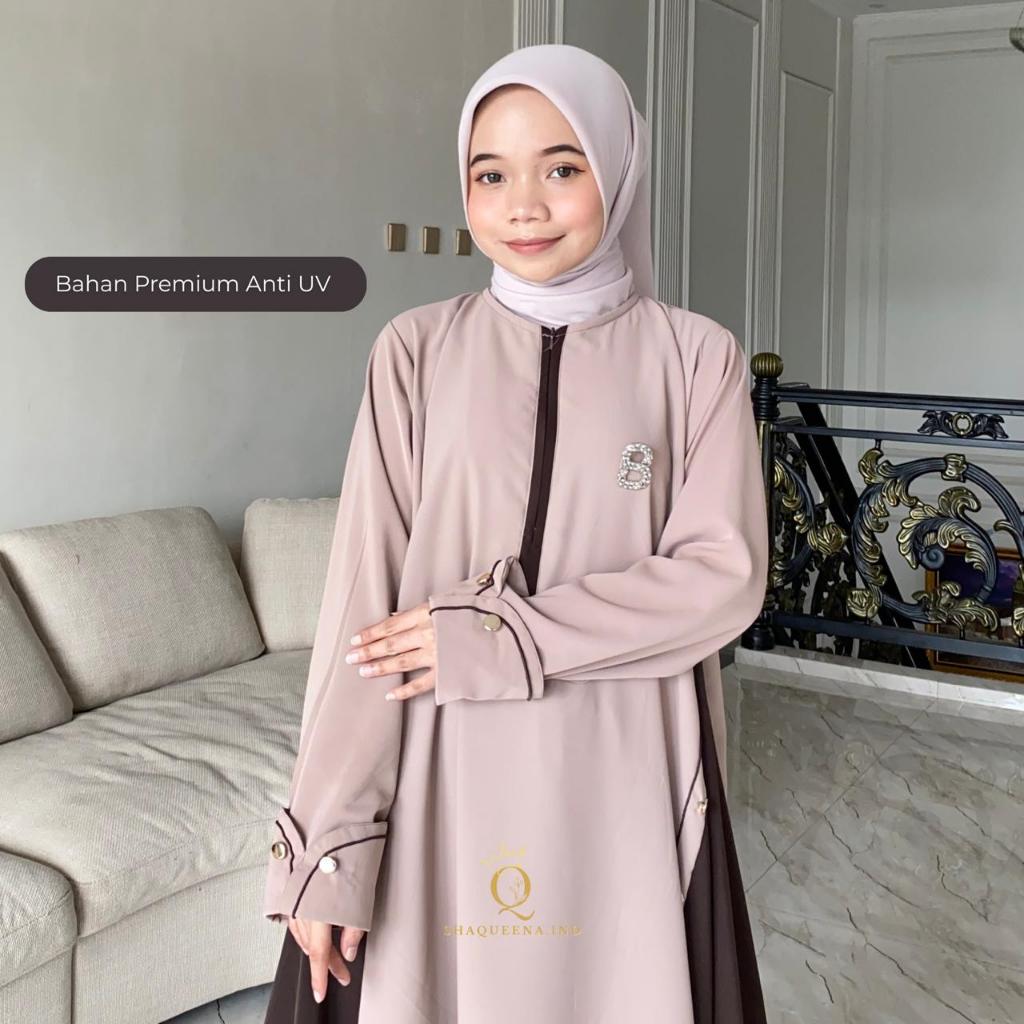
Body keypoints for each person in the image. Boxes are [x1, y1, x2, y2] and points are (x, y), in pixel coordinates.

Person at [262, 42, 770, 1024]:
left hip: (625, 765)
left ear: (618, 171)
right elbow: (363, 607)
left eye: (561, 167)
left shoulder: (694, 357)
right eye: (490, 175)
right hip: (441, 763)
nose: (522, 205)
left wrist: (501, 635)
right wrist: (327, 839)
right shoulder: (415, 351)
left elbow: (722, 578)